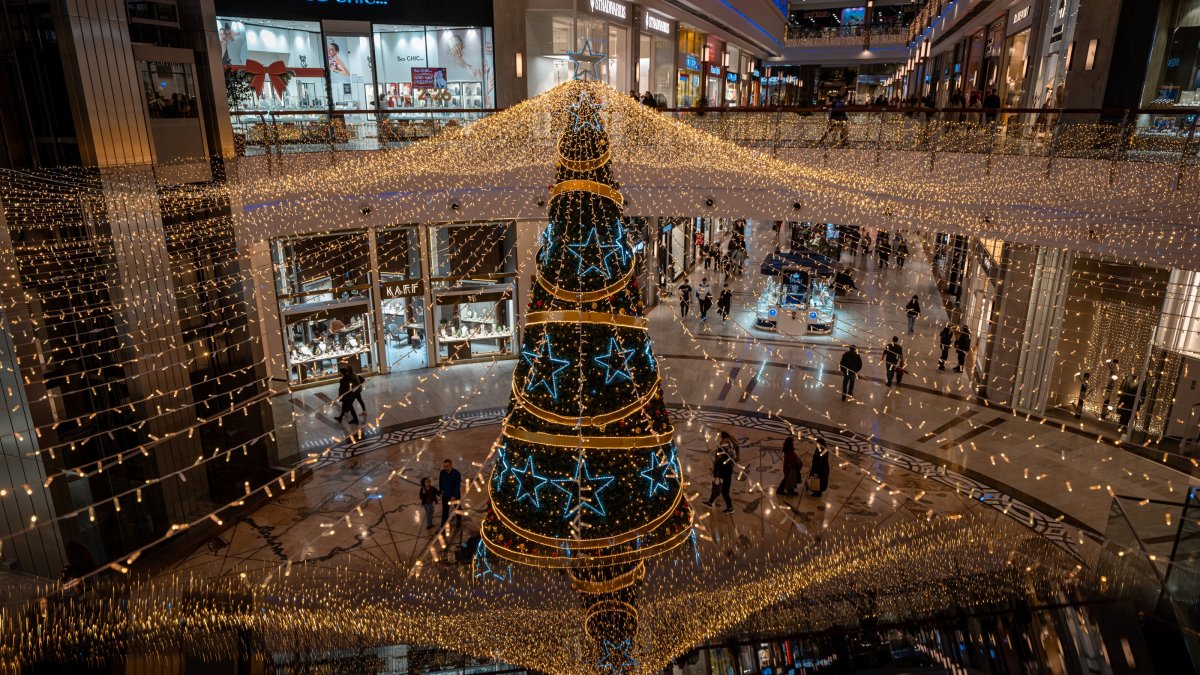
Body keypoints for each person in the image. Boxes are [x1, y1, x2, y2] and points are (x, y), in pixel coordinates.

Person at [702, 431, 738, 513]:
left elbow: (719, 461)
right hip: (727, 472)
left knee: (723, 490)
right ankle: (710, 503)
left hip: (723, 473)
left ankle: (730, 508)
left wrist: (716, 472)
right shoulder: (730, 448)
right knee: (718, 488)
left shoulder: (723, 449)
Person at [438, 459, 462, 530]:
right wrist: (440, 491)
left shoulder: (456, 473)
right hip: (445, 495)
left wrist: (454, 495)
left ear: (451, 465)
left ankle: (458, 520)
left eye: (447, 466)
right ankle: (443, 527)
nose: (445, 468)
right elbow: (440, 482)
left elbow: (457, 485)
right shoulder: (442, 472)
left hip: (455, 496)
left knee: (457, 508)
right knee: (445, 512)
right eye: (444, 466)